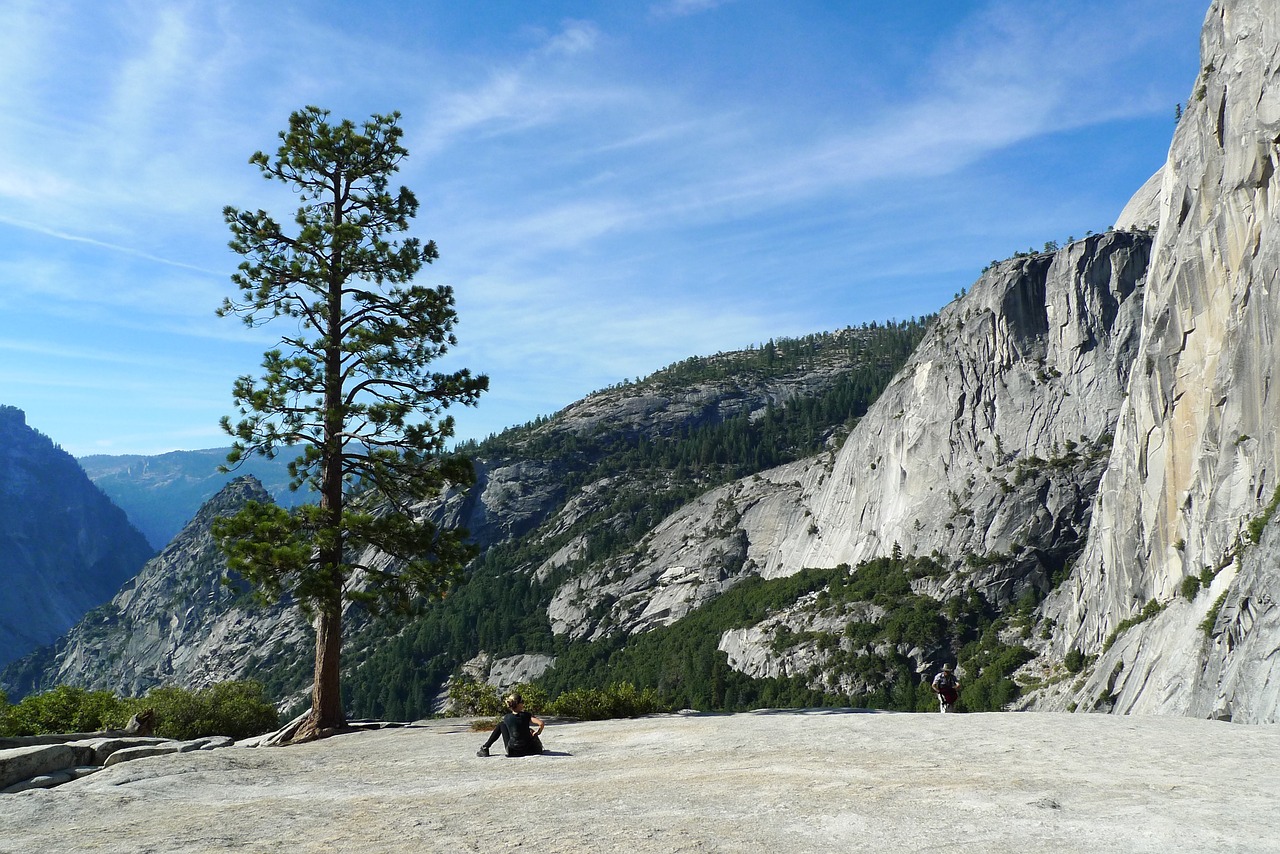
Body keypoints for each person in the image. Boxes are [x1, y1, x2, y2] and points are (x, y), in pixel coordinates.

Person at [477, 692, 545, 757]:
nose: (523, 704)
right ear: (518, 704)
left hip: (513, 751)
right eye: (522, 702)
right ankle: (539, 748)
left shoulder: (507, 718)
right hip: (529, 750)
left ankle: (485, 748)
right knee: (530, 730)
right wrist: (538, 732)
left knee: (501, 725)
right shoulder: (527, 715)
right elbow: (541, 724)